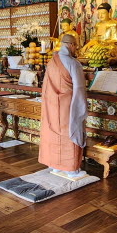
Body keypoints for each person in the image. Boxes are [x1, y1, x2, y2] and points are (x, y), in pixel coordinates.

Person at [38, 34, 88, 179]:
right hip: (68, 106)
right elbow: (79, 88)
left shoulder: (51, 61)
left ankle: (55, 166)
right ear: (71, 45)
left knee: (53, 132)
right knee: (70, 132)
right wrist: (82, 107)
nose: (76, 49)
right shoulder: (73, 63)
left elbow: (46, 86)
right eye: (75, 45)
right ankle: (71, 170)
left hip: (52, 105)